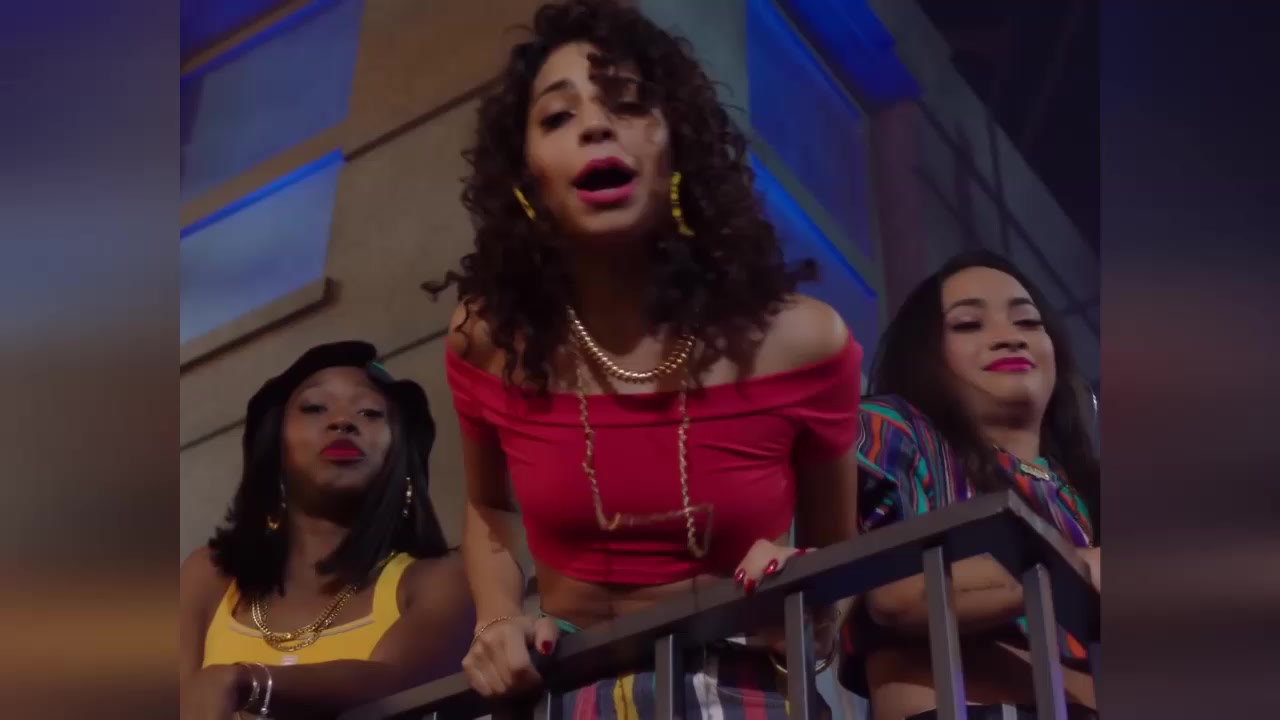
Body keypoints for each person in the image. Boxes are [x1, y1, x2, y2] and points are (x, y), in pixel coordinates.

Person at [424, 0, 863, 716]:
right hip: (565, 690)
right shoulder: (491, 340)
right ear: (527, 180)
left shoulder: (802, 345)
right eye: (558, 116)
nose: (596, 126)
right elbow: (489, 503)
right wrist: (498, 618)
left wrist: (806, 604)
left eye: (628, 105)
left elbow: (834, 570)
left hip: (742, 691)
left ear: (678, 146)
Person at [839, 251, 1101, 720]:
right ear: (925, 355)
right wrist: (1080, 570)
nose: (1009, 338)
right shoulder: (895, 428)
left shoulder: (1086, 490)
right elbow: (896, 595)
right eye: (968, 324)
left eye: (1028, 322)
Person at [179, 341, 474, 720]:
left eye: (370, 413)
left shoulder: (441, 581)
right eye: (315, 408)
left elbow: (394, 683)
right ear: (273, 447)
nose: (342, 422)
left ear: (400, 455)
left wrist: (249, 682)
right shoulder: (210, 577)